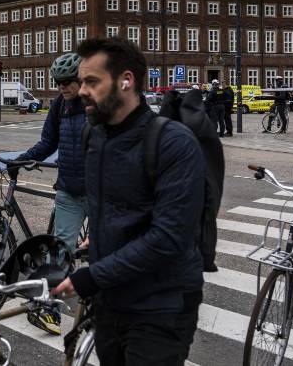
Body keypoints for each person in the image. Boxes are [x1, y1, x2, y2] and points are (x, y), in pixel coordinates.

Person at [52, 37, 204, 366]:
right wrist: (100, 239)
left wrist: (90, 277)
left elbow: (168, 238)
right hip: (111, 298)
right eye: (81, 81)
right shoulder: (95, 135)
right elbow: (114, 209)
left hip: (161, 304)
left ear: (126, 81)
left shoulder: (173, 143)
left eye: (92, 81)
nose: (81, 90)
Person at [12, 53, 87, 335]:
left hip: (99, 192)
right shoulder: (59, 106)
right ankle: (50, 311)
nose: (62, 88)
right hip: (68, 189)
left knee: (108, 252)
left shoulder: (96, 104)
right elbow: (47, 142)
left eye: (67, 82)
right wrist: (22, 158)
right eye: (58, 83)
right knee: (59, 253)